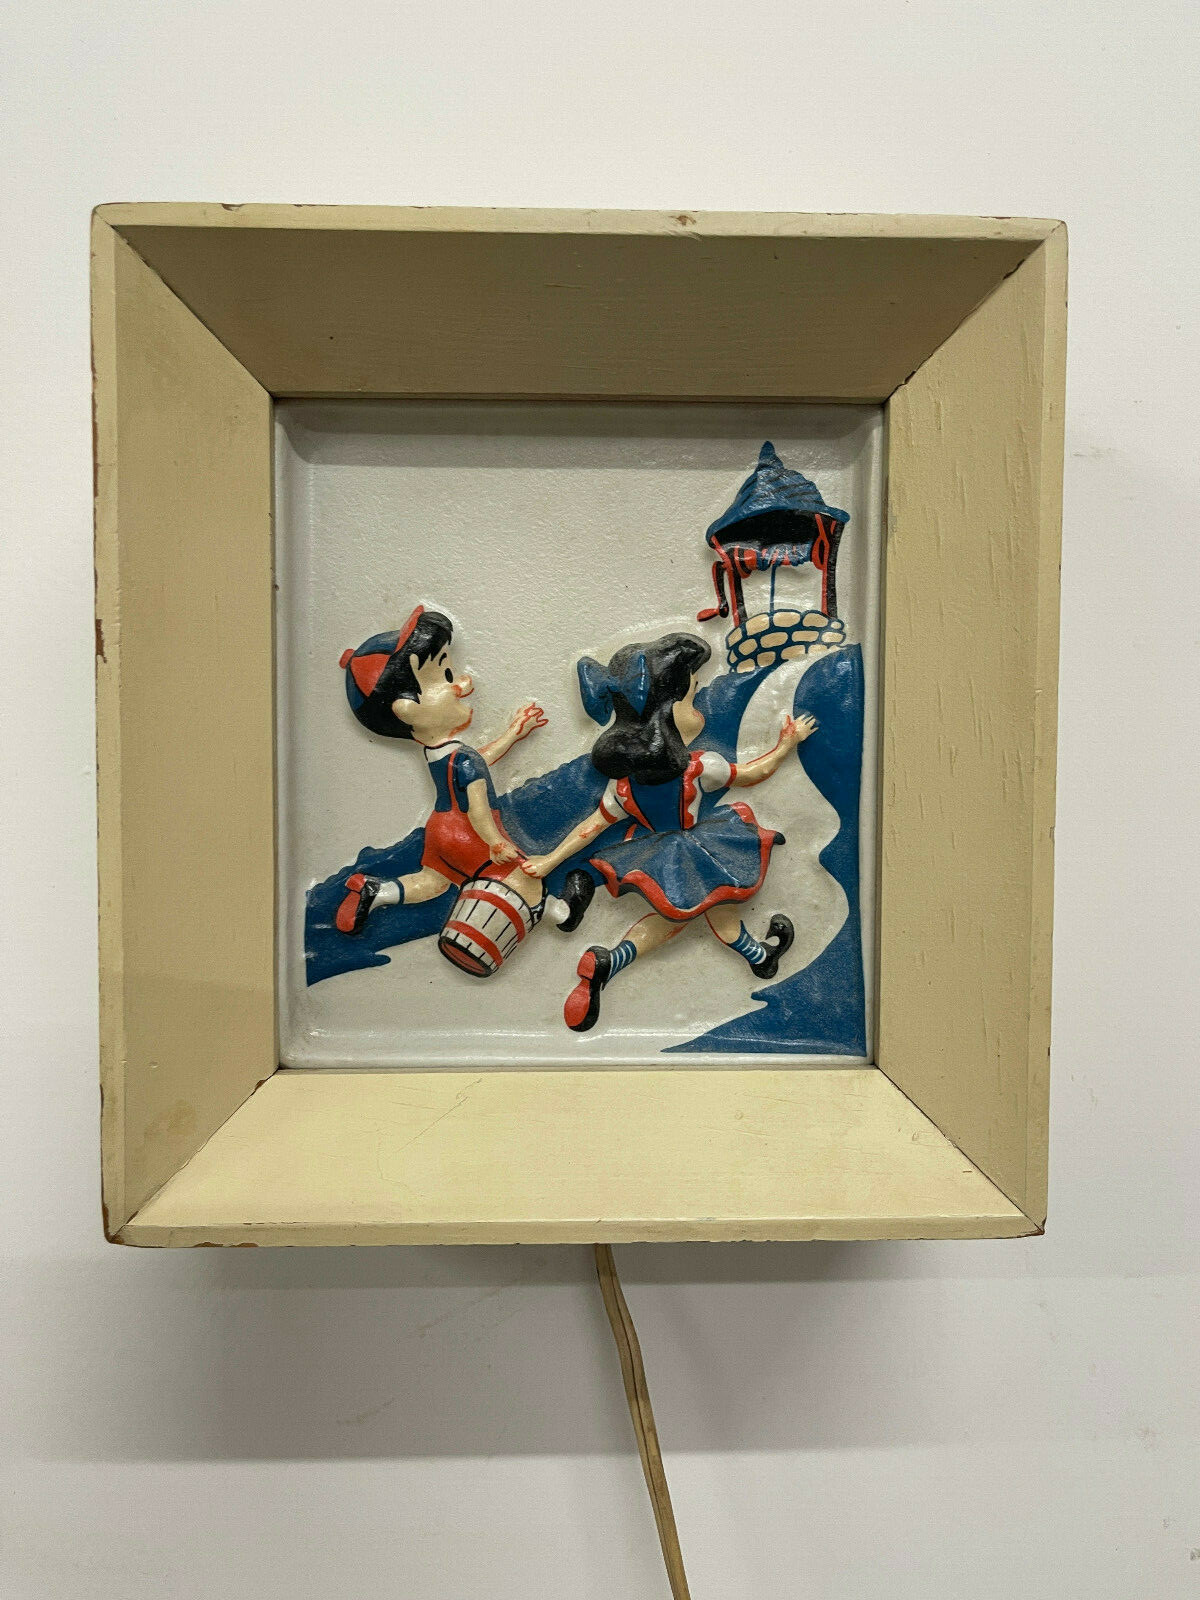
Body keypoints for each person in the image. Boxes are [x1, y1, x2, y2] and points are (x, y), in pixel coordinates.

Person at [519, 632, 816, 1032]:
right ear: (665, 712)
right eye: (692, 697)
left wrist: (549, 860)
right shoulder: (698, 767)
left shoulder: (623, 787)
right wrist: (786, 744)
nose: (699, 709)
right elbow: (752, 773)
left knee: (681, 916)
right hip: (700, 849)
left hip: (657, 855)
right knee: (719, 907)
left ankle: (614, 961)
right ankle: (759, 957)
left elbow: (590, 827)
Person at [333, 605, 587, 938]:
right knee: (523, 875)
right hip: (468, 831)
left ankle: (377, 892)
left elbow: (478, 760)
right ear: (407, 709)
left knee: (434, 881)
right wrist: (495, 842)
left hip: (440, 830)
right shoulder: (464, 761)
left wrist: (512, 735)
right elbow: (477, 806)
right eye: (446, 677)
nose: (464, 684)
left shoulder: (439, 753)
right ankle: (558, 910)